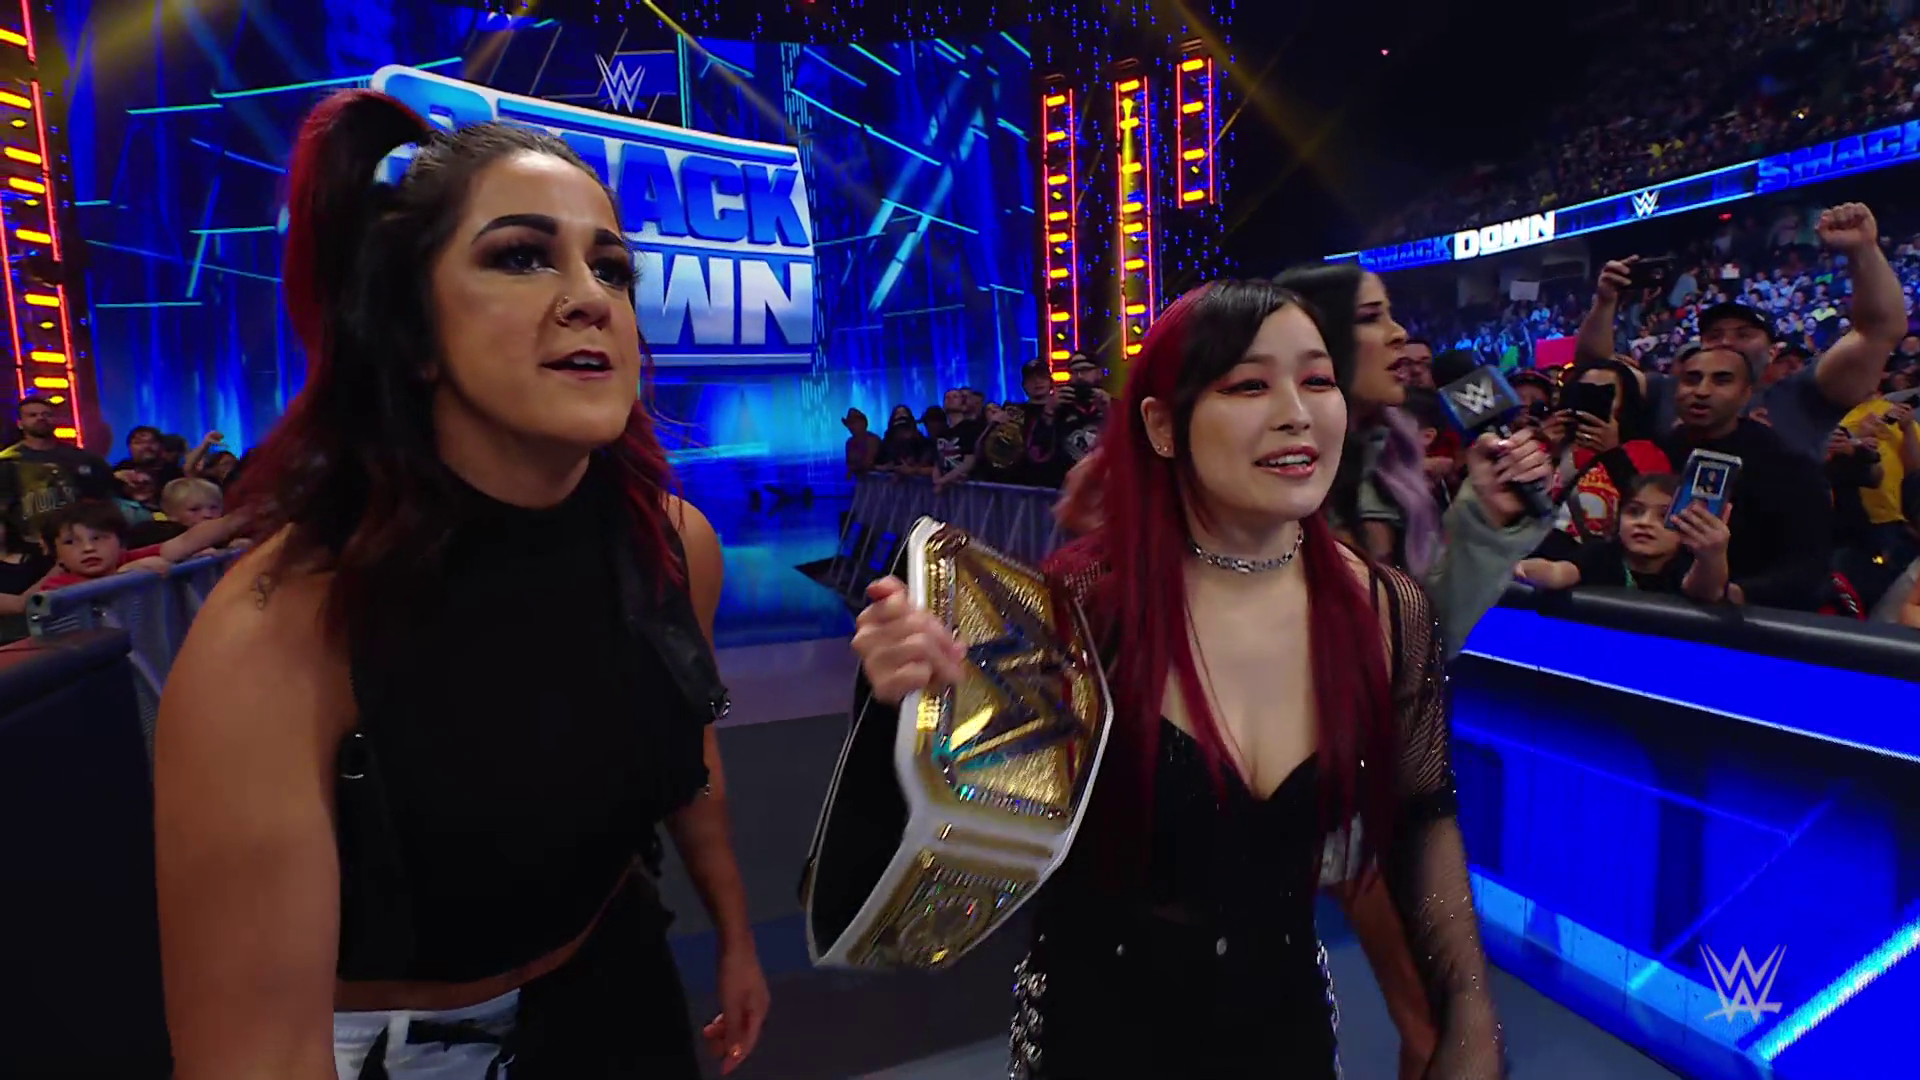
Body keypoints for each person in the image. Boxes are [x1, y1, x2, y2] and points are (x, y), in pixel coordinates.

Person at [153, 90, 767, 1080]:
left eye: (611, 267)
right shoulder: (281, 632)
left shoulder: (672, 545)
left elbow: (688, 749)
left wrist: (735, 933)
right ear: (413, 332)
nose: (589, 297)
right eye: (522, 256)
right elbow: (257, 1054)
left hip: (620, 993)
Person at [852, 280, 1503, 1079]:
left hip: (1286, 1043)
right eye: (1249, 385)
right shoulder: (1079, 604)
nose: (1296, 413)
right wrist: (908, 706)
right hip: (1097, 1046)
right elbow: (938, 883)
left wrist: (1470, 1017)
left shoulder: (1388, 611)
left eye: (1317, 379)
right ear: (1162, 425)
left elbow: (1422, 820)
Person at [1579, 203, 1904, 462]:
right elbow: (1597, 369)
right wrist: (1605, 302)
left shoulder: (1806, 395)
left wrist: (1863, 250)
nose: (1727, 343)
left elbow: (1878, 331)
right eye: (1714, 335)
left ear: (1773, 351)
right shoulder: (1668, 392)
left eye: (1744, 334)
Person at [1662, 343, 1832, 610]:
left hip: (1742, 616)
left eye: (1722, 380)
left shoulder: (1787, 464)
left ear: (1746, 394)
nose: (1702, 391)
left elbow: (1809, 565)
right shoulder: (1659, 449)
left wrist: (1732, 594)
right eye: (1692, 379)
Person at [1516, 473, 1732, 600]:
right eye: (1634, 512)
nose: (1644, 522)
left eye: (1663, 516)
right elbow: (1557, 572)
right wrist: (1521, 568)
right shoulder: (1601, 554)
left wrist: (1712, 555)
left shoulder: (1689, 565)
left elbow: (1705, 591)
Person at [0, 395, 116, 550]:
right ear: (20, 423)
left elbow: (105, 497)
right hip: (27, 546)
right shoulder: (7, 462)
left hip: (79, 541)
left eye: (46, 414)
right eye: (33, 415)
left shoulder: (82, 458)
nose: (41, 418)